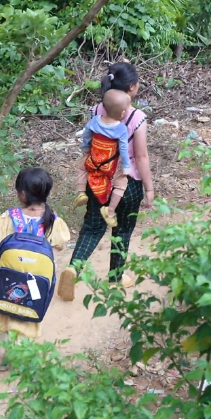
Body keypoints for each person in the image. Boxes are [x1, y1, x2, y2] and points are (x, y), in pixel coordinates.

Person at [58, 62, 154, 301]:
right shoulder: (137, 117)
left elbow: (88, 145)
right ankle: (115, 278)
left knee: (92, 227)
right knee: (122, 230)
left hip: (98, 179)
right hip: (127, 183)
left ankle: (73, 268)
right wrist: (149, 187)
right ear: (132, 88)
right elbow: (140, 156)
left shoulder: (96, 110)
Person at [0, 168, 70, 371]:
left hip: (10, 278)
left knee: (6, 311)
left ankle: (5, 355)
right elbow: (61, 244)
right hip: (37, 280)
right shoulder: (53, 220)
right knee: (30, 310)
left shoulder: (11, 217)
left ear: (22, 194)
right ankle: (25, 354)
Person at [75, 88, 132, 227]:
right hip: (109, 167)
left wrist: (86, 149)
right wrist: (125, 167)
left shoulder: (95, 121)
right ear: (123, 113)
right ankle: (110, 211)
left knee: (81, 168)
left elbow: (86, 136)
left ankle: (81, 192)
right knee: (121, 184)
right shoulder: (121, 129)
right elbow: (124, 149)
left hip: (92, 161)